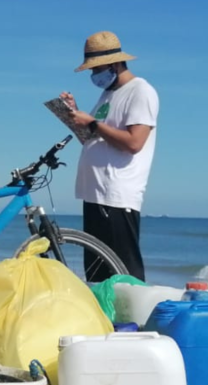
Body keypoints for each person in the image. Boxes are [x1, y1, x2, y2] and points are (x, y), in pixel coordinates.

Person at [60, 31, 158, 281]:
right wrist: (74, 115)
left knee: (123, 273)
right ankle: (105, 320)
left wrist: (92, 123)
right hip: (94, 193)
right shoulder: (108, 95)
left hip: (116, 194)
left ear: (114, 63)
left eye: (96, 69)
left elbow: (135, 142)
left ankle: (134, 319)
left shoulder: (140, 91)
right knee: (97, 272)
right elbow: (92, 137)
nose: (94, 76)